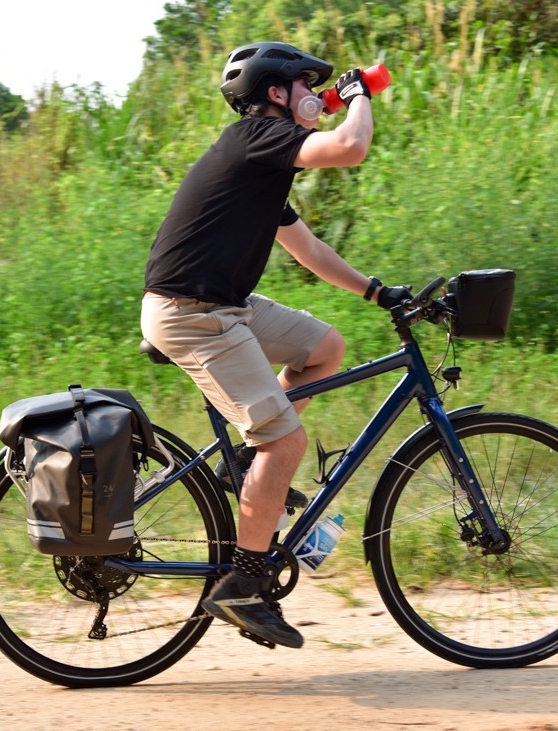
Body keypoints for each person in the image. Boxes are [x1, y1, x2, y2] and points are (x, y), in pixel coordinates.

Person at [140, 41, 409, 649]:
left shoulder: (263, 166)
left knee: (325, 347)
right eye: (302, 85)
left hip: (222, 306)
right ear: (274, 94)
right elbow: (351, 146)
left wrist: (379, 292)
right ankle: (244, 582)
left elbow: (309, 252)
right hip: (192, 314)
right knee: (285, 440)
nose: (314, 94)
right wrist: (360, 94)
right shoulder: (255, 138)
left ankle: (247, 463)